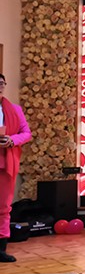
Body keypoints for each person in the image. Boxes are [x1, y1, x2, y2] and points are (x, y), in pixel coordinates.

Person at [0, 73, 32, 263]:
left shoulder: (14, 110)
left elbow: (26, 133)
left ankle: (1, 248)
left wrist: (11, 140)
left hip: (5, 162)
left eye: (1, 83)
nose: (0, 87)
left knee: (3, 207)